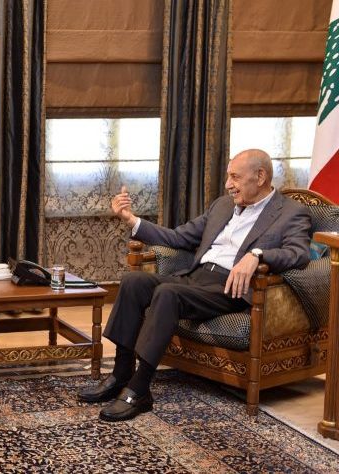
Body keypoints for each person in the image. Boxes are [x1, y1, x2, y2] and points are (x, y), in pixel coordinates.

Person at [78, 149, 311, 422]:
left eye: (235, 177)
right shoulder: (222, 206)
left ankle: (139, 390)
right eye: (228, 177)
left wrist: (257, 255)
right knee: (133, 281)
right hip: (195, 277)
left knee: (167, 292)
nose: (228, 184)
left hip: (229, 288)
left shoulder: (291, 213)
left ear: (260, 177)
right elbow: (179, 238)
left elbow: (299, 254)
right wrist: (131, 220)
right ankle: (121, 374)